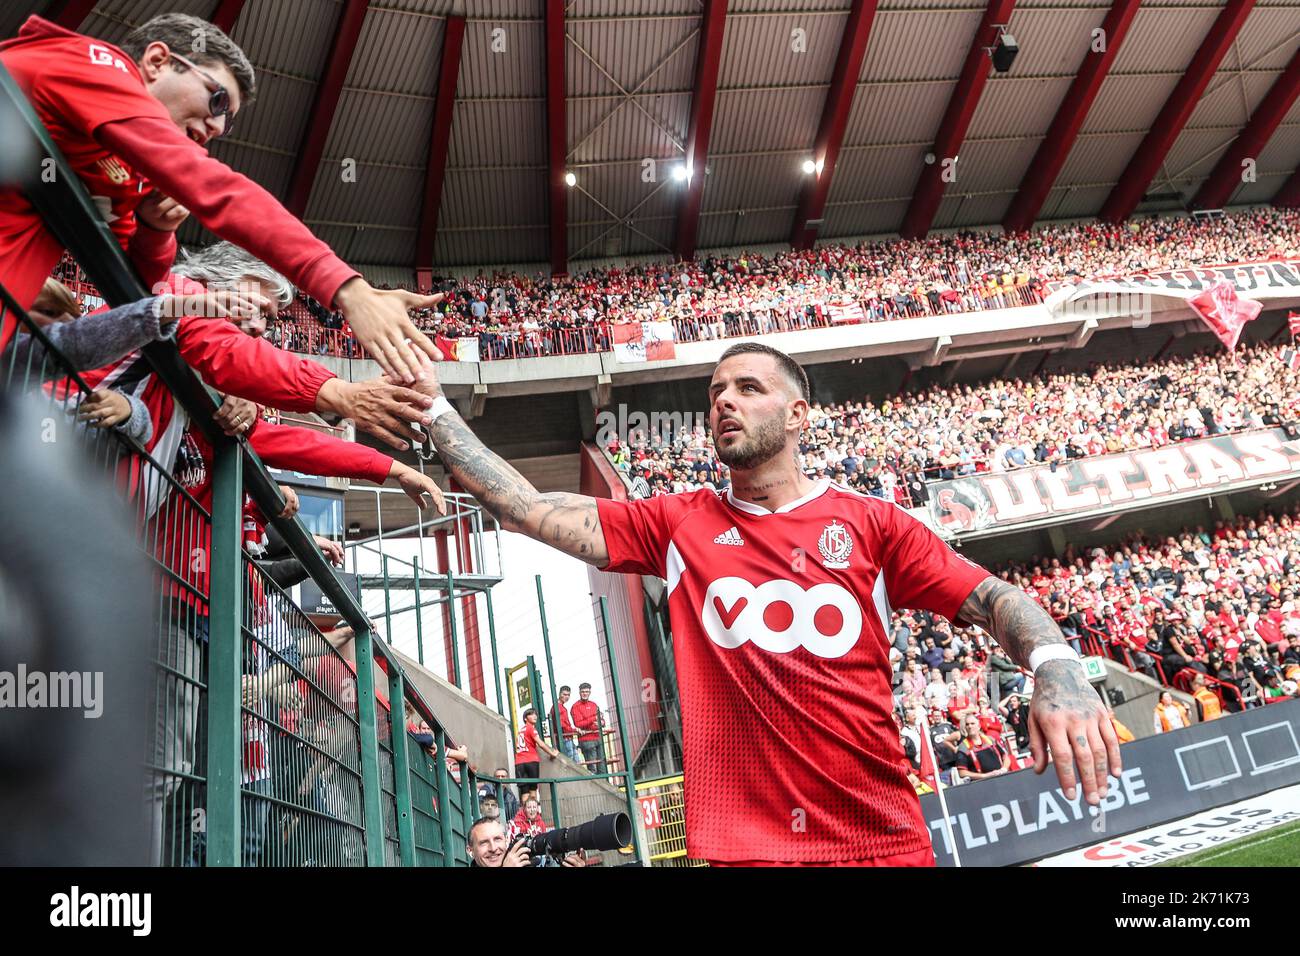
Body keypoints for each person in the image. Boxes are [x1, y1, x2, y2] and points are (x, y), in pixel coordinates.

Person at [414, 340, 1119, 865]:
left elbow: (994, 598)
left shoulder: (872, 524)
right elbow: (528, 505)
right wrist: (436, 406)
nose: (723, 400)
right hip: (743, 848)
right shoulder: (675, 523)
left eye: (748, 388)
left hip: (879, 842)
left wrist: (1057, 667)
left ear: (798, 412)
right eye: (716, 390)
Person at [0, 13, 442, 381]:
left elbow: (132, 288)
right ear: (157, 61)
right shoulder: (92, 65)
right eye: (216, 101)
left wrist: (155, 231)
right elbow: (216, 189)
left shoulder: (115, 166)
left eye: (226, 125)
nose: (214, 130)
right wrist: (348, 289)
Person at [513, 708, 559, 798]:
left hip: (519, 762)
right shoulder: (531, 729)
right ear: (525, 718)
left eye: (535, 714)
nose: (535, 716)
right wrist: (552, 753)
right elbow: (541, 744)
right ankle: (535, 811)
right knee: (533, 790)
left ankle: (525, 811)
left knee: (524, 792)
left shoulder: (520, 731)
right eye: (531, 714)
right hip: (531, 761)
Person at [954, 714, 1009, 782]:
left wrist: (1004, 769)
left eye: (972, 723)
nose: (970, 726)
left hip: (1001, 777)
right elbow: (962, 772)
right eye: (967, 724)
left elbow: (1005, 756)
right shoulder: (963, 747)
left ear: (979, 726)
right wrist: (985, 776)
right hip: (981, 783)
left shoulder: (990, 740)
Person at [570, 683, 607, 776]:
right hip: (586, 740)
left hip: (598, 738)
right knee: (592, 769)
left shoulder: (594, 704)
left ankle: (606, 788)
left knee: (603, 767)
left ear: (590, 692)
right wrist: (593, 719)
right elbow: (578, 724)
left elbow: (602, 720)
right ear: (579, 692)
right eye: (583, 692)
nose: (585, 694)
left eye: (587, 691)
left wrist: (601, 723)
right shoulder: (575, 706)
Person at [551, 685, 579, 761]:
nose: (566, 697)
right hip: (565, 738)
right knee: (571, 762)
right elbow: (562, 725)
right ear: (559, 694)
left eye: (568, 695)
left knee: (575, 761)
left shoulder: (560, 707)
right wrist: (574, 730)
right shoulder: (558, 708)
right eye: (564, 694)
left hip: (567, 737)